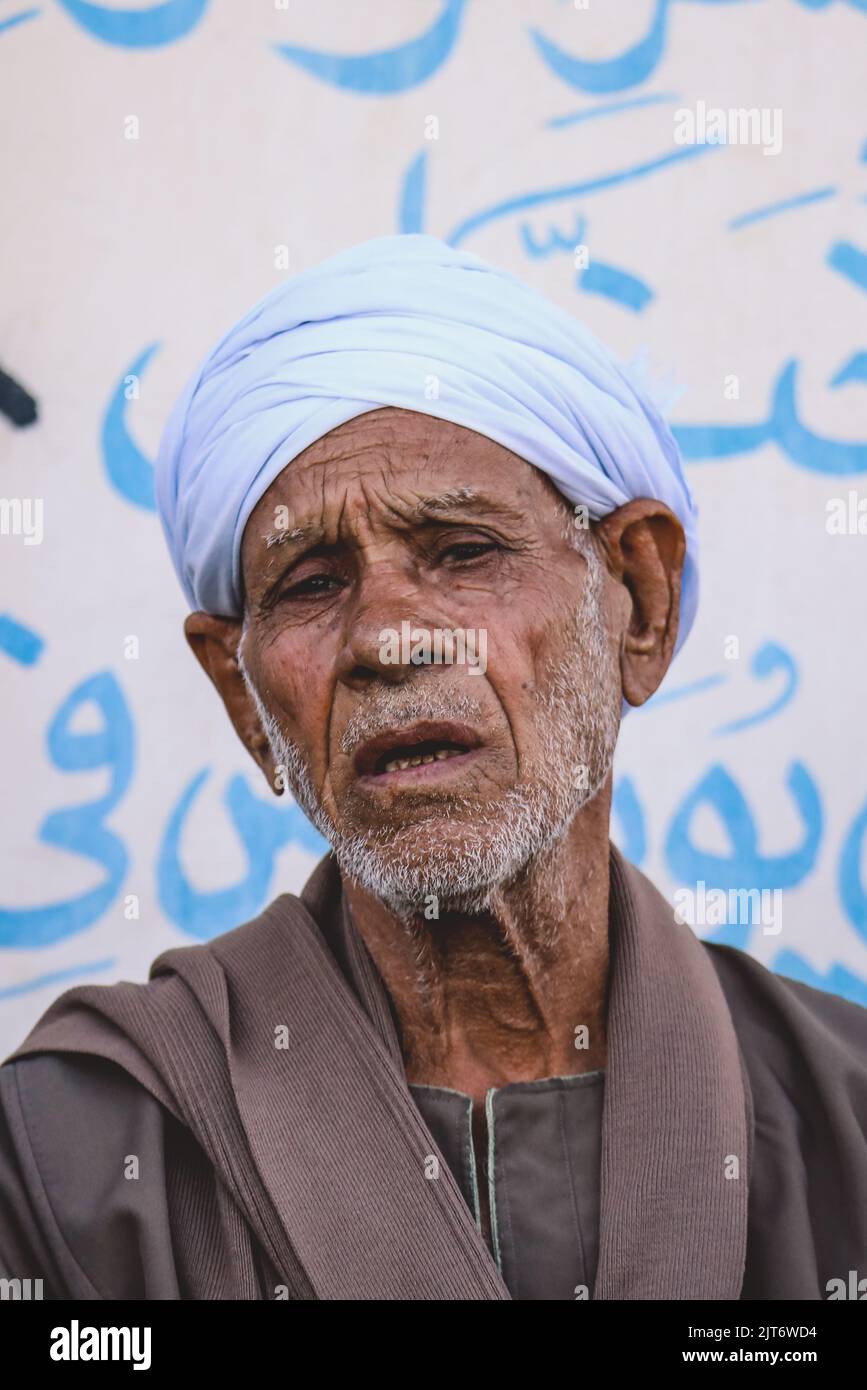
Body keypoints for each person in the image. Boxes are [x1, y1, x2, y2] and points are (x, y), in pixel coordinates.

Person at [1, 236, 864, 1301]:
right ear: (243, 695)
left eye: (463, 552)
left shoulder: (848, 1120)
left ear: (637, 601)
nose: (389, 638)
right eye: (313, 582)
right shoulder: (72, 1157)